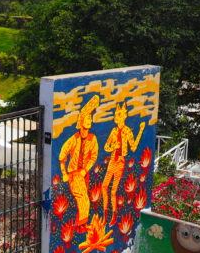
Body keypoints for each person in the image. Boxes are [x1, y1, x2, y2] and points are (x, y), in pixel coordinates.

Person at [58, 95, 100, 227]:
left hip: (84, 174)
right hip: (74, 174)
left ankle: (80, 224)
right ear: (81, 121)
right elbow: (62, 155)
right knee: (83, 199)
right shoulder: (74, 139)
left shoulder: (92, 138)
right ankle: (81, 226)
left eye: (90, 119)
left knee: (83, 199)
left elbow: (93, 156)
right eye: (86, 118)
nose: (89, 121)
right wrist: (64, 173)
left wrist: (85, 170)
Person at [101, 102, 145, 223]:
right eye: (116, 115)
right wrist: (113, 147)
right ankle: (105, 214)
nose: (116, 117)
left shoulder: (127, 131)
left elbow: (133, 147)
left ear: (124, 116)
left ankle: (114, 216)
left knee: (113, 191)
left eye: (118, 115)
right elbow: (106, 147)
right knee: (104, 186)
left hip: (120, 161)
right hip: (112, 160)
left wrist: (141, 131)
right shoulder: (114, 131)